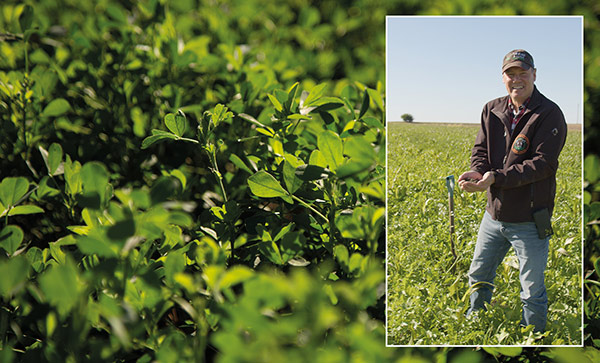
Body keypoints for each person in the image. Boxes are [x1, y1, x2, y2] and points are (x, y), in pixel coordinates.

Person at [458, 49, 567, 333]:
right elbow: (480, 150)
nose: (516, 79)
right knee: (479, 274)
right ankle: (475, 328)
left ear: (534, 74)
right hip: (493, 215)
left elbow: (542, 165)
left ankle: (534, 342)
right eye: (511, 74)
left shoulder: (549, 113)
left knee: (532, 289)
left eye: (522, 73)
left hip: (531, 218)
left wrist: (495, 178)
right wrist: (478, 171)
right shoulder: (491, 108)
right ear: (503, 77)